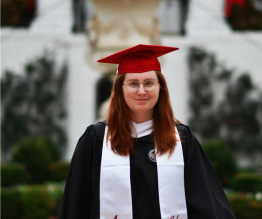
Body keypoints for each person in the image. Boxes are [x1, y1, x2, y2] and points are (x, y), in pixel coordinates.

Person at [59, 44, 236, 219]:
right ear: (121, 89)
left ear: (161, 88)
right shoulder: (96, 139)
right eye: (133, 83)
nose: (141, 91)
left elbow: (204, 202)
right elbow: (77, 205)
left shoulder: (181, 139)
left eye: (149, 83)